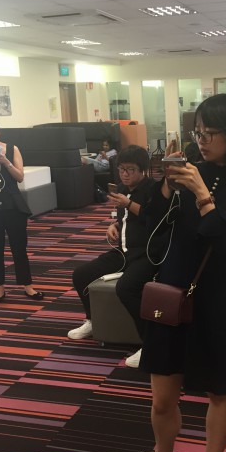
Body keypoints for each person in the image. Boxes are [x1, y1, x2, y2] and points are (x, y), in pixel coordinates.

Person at [132, 93, 226, 452]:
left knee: (220, 394)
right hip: (171, 293)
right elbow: (153, 222)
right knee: (161, 398)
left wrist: (202, 195)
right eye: (198, 132)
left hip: (215, 303)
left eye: (210, 133)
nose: (201, 140)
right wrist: (166, 185)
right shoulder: (189, 171)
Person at [67, 145, 159, 368]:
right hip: (123, 251)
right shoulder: (121, 189)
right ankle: (93, 320)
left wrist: (129, 204)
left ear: (142, 170)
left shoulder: (154, 190)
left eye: (130, 170)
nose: (125, 174)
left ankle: (151, 344)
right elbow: (126, 218)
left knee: (126, 288)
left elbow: (155, 220)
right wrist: (114, 225)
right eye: (121, 169)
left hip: (146, 253)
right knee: (81, 275)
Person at [0, 116, 44, 304]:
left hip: (14, 205)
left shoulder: (12, 149)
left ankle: (27, 285)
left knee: (19, 247)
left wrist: (6, 162)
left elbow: (19, 177)